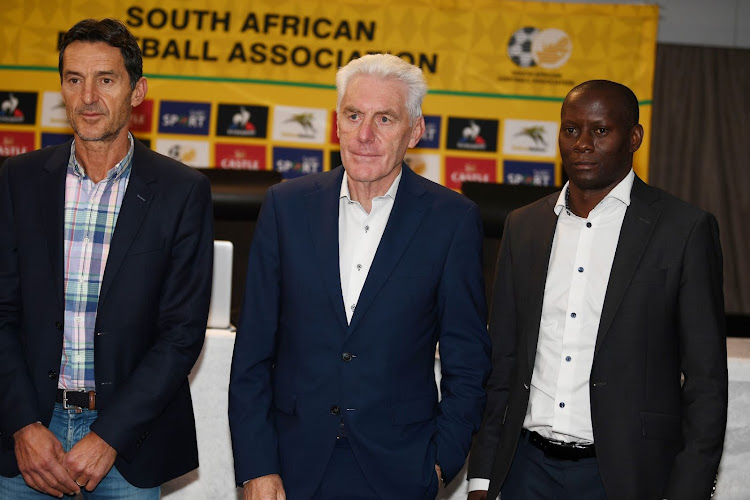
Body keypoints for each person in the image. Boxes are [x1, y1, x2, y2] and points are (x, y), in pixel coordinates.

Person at [229, 53, 491, 500]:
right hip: (292, 466)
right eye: (353, 115)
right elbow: (253, 352)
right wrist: (257, 465)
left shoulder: (453, 220)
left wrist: (440, 463)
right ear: (336, 123)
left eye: (384, 118)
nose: (364, 135)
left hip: (401, 468)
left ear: (416, 130)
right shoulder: (286, 207)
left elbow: (467, 361)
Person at [467, 80, 727, 500]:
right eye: (571, 130)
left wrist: (689, 490)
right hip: (524, 471)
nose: (582, 143)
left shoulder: (684, 229)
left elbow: (706, 383)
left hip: (626, 477)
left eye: (600, 130)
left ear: (634, 138)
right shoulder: (525, 225)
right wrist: (481, 476)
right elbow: (503, 362)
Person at [0, 18, 213, 499]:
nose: (88, 97)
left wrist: (109, 435)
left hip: (126, 444)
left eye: (106, 79)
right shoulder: (19, 179)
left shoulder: (182, 192)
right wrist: (23, 426)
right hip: (28, 440)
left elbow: (180, 333)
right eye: (74, 80)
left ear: (137, 91)